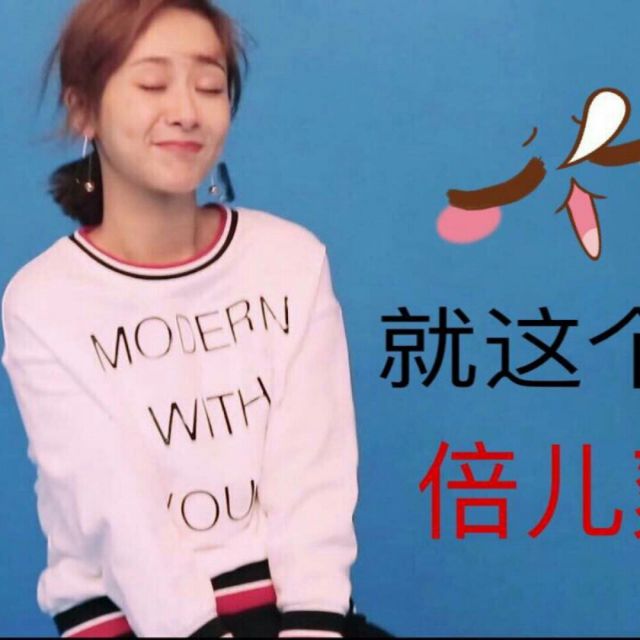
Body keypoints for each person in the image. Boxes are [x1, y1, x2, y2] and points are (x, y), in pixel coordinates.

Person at [1, 1, 392, 637]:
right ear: (83, 109)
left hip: (298, 613)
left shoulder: (289, 260)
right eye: (153, 84)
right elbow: (115, 509)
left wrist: (314, 625)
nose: (186, 110)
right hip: (134, 621)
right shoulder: (45, 300)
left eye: (209, 86)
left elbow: (313, 476)